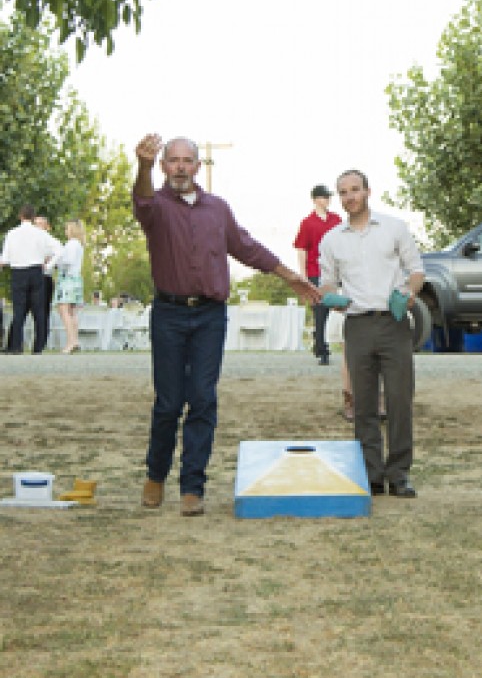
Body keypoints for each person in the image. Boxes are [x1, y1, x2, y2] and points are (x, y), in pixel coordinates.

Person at [133, 133, 320, 518]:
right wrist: (143, 166)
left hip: (209, 316)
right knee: (169, 402)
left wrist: (289, 276)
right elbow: (142, 200)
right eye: (173, 161)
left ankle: (192, 487)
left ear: (198, 167)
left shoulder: (218, 209)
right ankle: (155, 475)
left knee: (203, 398)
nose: (180, 167)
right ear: (165, 165)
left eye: (187, 161)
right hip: (168, 314)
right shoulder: (156, 207)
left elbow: (247, 246)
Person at [319, 169, 425, 497]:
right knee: (363, 403)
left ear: (368, 191)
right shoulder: (332, 239)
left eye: (355, 190)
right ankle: (371, 474)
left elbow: (417, 270)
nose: (350, 197)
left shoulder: (394, 228)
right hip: (358, 324)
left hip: (393, 323)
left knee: (398, 399)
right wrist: (329, 296)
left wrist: (410, 294)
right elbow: (327, 280)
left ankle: (399, 473)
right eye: (343, 192)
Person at [0, 204, 60, 354]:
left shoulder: (12, 234)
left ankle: (16, 346)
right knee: (38, 311)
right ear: (33, 218)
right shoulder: (40, 234)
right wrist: (48, 266)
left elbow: (5, 258)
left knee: (19, 310)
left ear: (20, 216)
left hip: (18, 271)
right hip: (36, 271)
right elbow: (59, 249)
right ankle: (38, 347)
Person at [293, 184, 342, 369]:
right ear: (315, 199)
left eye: (328, 196)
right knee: (320, 310)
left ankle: (320, 341)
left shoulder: (336, 220)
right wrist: (303, 275)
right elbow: (301, 249)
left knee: (332, 309)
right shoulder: (307, 223)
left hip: (334, 271)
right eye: (323, 197)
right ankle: (323, 350)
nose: (327, 200)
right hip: (315, 271)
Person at [46, 219, 86, 354]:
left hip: (68, 280)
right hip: (76, 279)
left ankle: (71, 342)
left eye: (67, 228)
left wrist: (55, 261)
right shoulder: (78, 245)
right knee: (71, 312)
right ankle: (75, 340)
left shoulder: (71, 244)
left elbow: (67, 261)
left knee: (64, 310)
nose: (65, 231)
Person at [34, 215, 60, 347]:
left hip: (45, 277)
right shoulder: (30, 241)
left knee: (43, 311)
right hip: (30, 276)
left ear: (47, 227)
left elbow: (59, 254)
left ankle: (41, 343)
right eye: (36, 224)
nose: (38, 227)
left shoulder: (52, 240)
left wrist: (49, 263)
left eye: (40, 224)